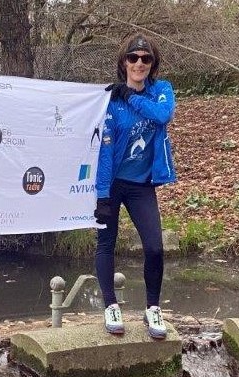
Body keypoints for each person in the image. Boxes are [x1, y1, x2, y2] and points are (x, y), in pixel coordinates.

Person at [94, 33, 176, 339]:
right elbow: (104, 151)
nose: (139, 63)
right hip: (114, 184)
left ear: (152, 64)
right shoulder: (111, 103)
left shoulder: (161, 91)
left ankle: (152, 308)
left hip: (142, 185)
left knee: (154, 247)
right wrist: (102, 195)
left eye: (146, 58)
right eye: (133, 58)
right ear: (123, 62)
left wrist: (132, 96)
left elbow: (163, 114)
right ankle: (110, 305)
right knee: (106, 243)